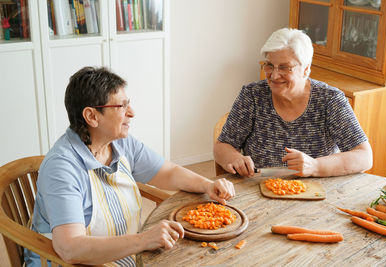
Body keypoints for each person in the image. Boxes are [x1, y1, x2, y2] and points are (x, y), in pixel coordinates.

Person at [25, 66, 235, 266]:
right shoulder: (62, 168)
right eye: (122, 106)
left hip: (122, 255)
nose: (132, 112)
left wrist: (207, 185)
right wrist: (143, 240)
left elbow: (167, 172)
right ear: (91, 116)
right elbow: (70, 249)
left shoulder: (120, 142)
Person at [214, 28, 372, 178]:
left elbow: (364, 157)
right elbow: (222, 146)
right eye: (269, 65)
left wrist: (315, 166)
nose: (274, 75)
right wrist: (235, 158)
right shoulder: (252, 96)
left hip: (317, 192)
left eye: (285, 67)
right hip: (258, 189)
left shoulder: (330, 100)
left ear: (305, 69)